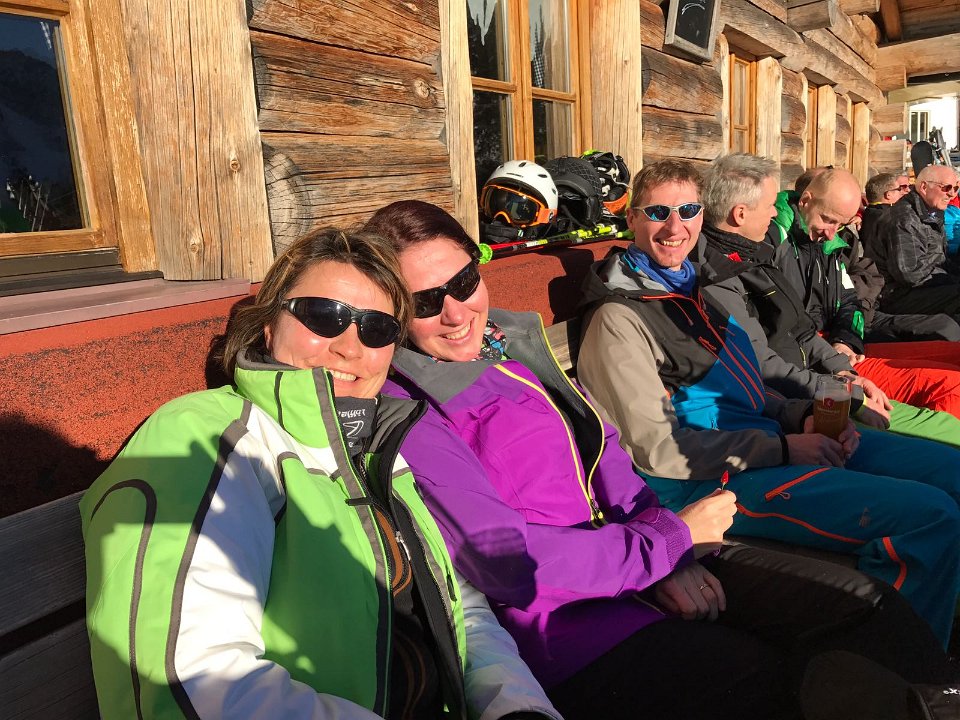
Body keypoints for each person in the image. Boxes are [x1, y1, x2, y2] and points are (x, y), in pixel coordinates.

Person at [367, 200, 959, 720]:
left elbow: (607, 452)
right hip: (577, 625)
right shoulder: (412, 408)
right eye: (425, 300)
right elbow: (507, 561)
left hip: (649, 552)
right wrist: (663, 546)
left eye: (464, 280)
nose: (455, 311)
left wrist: (664, 547)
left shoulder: (509, 345)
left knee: (869, 609)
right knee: (777, 682)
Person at [80, 229, 561, 720]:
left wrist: (519, 708)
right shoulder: (206, 438)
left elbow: (465, 613)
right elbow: (191, 684)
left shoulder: (378, 448)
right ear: (270, 327)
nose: (350, 347)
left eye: (377, 328)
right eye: (323, 316)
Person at [575, 159, 960, 647]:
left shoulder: (696, 290)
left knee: (952, 469)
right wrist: (782, 447)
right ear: (632, 217)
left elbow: (749, 386)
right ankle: (896, 667)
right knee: (930, 517)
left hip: (771, 443)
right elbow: (656, 450)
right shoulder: (619, 318)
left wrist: (801, 414)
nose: (675, 227)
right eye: (657, 212)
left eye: (688, 210)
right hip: (709, 484)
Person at [695, 153, 960, 447]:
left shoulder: (784, 252)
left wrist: (844, 355)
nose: (773, 214)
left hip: (826, 364)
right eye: (770, 206)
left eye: (842, 223)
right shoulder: (747, 259)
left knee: (948, 375)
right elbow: (762, 360)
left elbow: (828, 311)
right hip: (801, 392)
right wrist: (841, 388)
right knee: (943, 420)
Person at [767, 167, 960, 418]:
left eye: (841, 224)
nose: (831, 232)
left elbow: (848, 299)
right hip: (816, 359)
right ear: (805, 199)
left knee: (953, 352)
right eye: (829, 219)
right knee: (950, 386)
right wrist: (836, 359)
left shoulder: (829, 243)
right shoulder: (773, 243)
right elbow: (784, 330)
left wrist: (846, 341)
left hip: (839, 346)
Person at [874, 163, 960, 319]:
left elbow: (940, 260)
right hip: (896, 296)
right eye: (947, 188)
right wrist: (951, 279)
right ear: (924, 187)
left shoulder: (931, 213)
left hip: (921, 288)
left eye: (956, 188)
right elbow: (910, 273)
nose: (952, 194)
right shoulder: (904, 219)